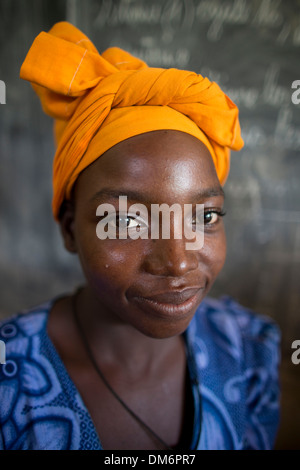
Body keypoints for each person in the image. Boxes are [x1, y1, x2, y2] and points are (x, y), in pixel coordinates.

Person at [0, 22, 280, 451]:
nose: (178, 262)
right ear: (70, 229)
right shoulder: (9, 385)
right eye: (129, 222)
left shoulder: (251, 353)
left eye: (204, 215)